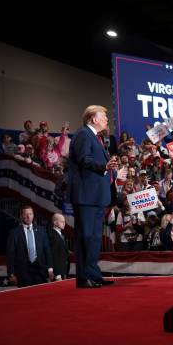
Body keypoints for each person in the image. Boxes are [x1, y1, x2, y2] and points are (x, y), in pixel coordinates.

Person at [68, 105, 118, 288]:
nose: (106, 119)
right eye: (103, 116)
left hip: (96, 197)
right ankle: (84, 278)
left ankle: (94, 275)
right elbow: (84, 159)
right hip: (86, 197)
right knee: (86, 237)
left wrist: (112, 170)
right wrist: (104, 167)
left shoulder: (97, 138)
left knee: (95, 238)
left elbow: (96, 164)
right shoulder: (83, 134)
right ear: (93, 119)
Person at [6, 205, 54, 287]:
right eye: (26, 214)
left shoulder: (42, 230)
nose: (28, 217)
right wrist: (11, 274)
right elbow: (10, 254)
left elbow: (47, 250)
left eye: (30, 214)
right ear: (21, 216)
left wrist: (50, 269)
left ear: (33, 215)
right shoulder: (14, 233)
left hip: (40, 271)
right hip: (23, 273)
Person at [48, 213, 70, 280]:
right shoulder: (52, 236)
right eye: (62, 221)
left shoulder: (60, 234)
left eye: (64, 222)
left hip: (63, 270)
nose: (64, 223)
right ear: (55, 222)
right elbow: (54, 255)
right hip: (58, 273)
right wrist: (57, 274)